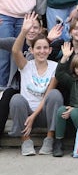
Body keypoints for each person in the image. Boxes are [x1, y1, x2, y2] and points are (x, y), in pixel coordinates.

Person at [9, 18, 62, 156]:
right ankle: (25, 140)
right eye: (38, 48)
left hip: (44, 113)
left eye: (45, 48)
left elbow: (47, 95)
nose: (42, 51)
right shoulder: (26, 66)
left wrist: (33, 117)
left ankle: (49, 138)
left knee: (55, 94)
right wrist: (24, 31)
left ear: (50, 50)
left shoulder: (55, 67)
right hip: (26, 113)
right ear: (31, 50)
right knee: (16, 99)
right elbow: (15, 51)